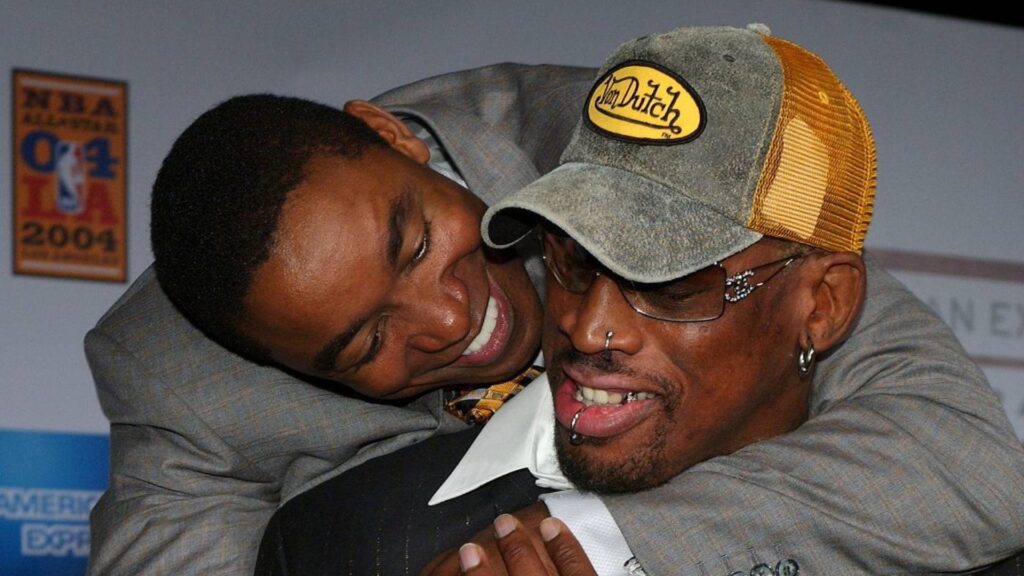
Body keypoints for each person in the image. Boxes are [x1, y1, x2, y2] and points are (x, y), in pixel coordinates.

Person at [254, 26, 1024, 576]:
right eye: (573, 262)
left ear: (821, 306)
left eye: (672, 281)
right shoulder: (347, 543)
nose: (588, 326)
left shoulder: (967, 537)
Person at [85, 63, 595, 576]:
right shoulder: (183, 374)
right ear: (277, 363)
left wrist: (595, 525)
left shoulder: (615, 148)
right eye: (369, 343)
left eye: (417, 249)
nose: (450, 320)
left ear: (392, 137)